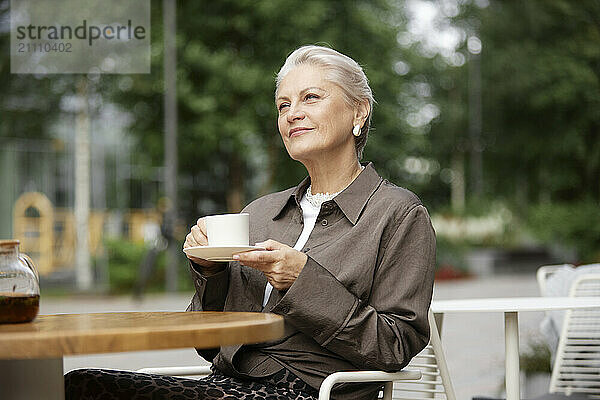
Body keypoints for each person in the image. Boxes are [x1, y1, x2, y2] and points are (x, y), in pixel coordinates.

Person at [64, 45, 435, 400]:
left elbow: (395, 345)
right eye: (283, 105)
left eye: (310, 98)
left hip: (307, 392)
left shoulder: (397, 214)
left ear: (358, 112)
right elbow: (208, 346)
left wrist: (303, 281)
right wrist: (211, 272)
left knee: (83, 389)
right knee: (79, 384)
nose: (292, 114)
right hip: (226, 384)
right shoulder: (260, 213)